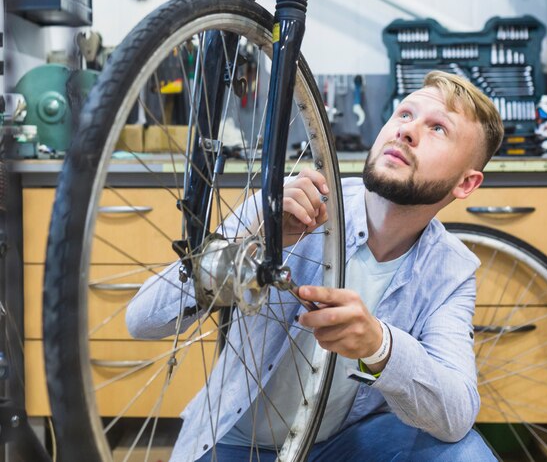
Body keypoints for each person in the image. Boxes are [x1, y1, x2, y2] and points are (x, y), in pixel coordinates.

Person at [126, 70, 504, 461]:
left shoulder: (450, 270)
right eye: (405, 115)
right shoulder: (291, 201)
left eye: (439, 128)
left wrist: (380, 347)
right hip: (234, 444)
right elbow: (141, 320)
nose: (407, 132)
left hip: (344, 445)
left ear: (466, 184)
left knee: (466, 455)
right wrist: (249, 243)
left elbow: (457, 414)